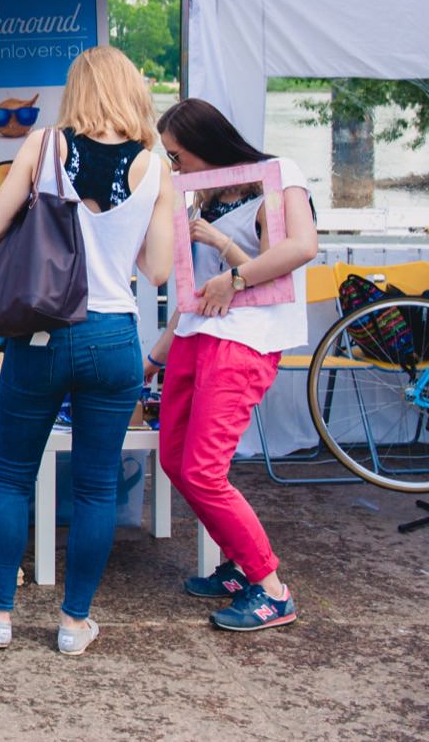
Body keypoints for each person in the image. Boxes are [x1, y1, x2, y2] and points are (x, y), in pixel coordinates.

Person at [0, 47, 178, 655]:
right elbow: (157, 270)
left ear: (77, 92)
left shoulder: (45, 145)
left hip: (45, 332)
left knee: (15, 476)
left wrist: (37, 204)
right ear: (131, 91)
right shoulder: (157, 170)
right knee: (98, 487)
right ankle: (75, 623)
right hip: (114, 338)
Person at [147, 98, 317, 632]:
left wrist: (234, 272)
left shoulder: (277, 175)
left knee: (203, 469)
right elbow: (191, 291)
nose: (175, 167)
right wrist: (154, 358)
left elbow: (300, 248)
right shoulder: (202, 194)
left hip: (245, 340)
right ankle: (239, 566)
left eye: (178, 156)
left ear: (206, 145)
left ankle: (271, 589)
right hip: (198, 335)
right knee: (175, 460)